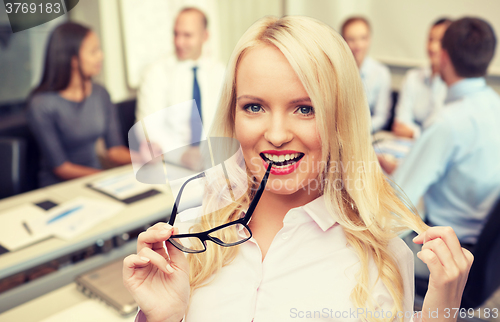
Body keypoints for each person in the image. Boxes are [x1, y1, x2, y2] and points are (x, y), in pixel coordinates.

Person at [124, 16, 473, 322]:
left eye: (305, 109)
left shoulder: (383, 261)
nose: (275, 135)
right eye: (255, 107)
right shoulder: (190, 234)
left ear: (340, 119)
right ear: (233, 114)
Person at [388, 17, 498, 277]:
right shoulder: (495, 104)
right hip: (483, 249)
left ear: (443, 57)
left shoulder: (448, 122)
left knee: (360, 247)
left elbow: (396, 201)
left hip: (449, 251)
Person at [27, 22, 131, 187]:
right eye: (93, 51)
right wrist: (108, 178)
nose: (100, 56)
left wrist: (144, 160)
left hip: (97, 181)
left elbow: (115, 150)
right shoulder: (41, 104)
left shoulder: (100, 93)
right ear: (73, 60)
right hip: (60, 188)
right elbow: (61, 168)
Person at [136, 7, 225, 170]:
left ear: (205, 36)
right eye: (176, 34)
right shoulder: (156, 72)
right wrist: (180, 155)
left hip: (215, 161)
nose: (178, 42)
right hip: (171, 163)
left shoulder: (220, 72)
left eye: (187, 35)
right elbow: (147, 125)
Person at [392, 18, 452, 139]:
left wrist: (414, 133)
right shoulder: (412, 77)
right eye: (430, 39)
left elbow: (442, 131)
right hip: (407, 145)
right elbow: (400, 124)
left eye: (440, 41)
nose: (433, 47)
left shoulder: (453, 83)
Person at [341, 17, 392, 133]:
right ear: (343, 40)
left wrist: (358, 131)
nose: (358, 45)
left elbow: (382, 116)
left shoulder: (381, 73)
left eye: (363, 38)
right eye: (351, 39)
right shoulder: (335, 70)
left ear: (369, 39)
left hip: (366, 133)